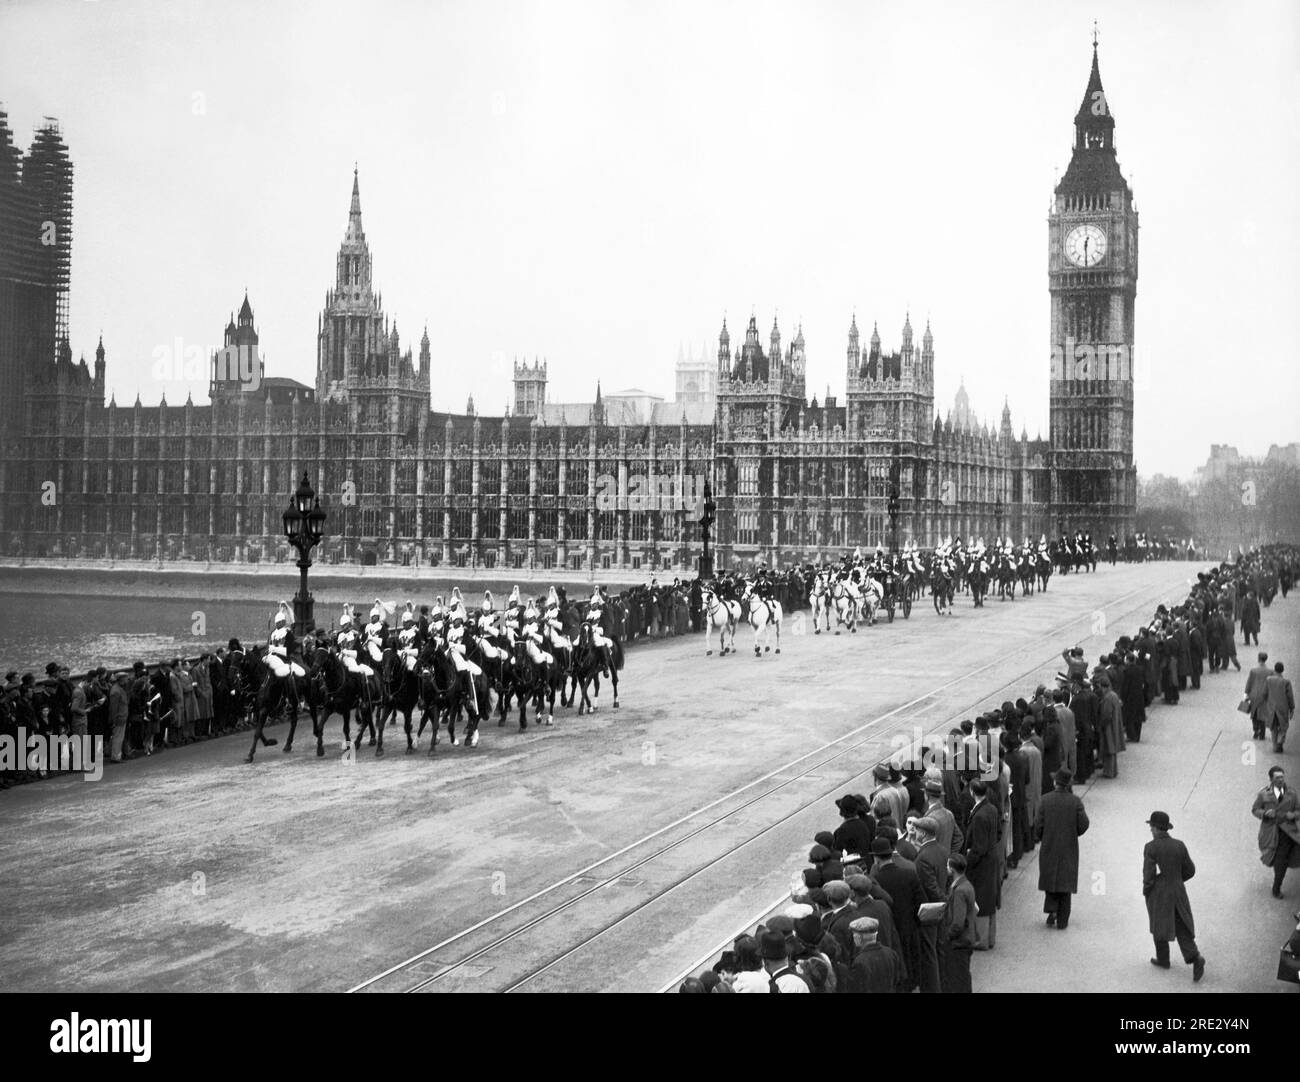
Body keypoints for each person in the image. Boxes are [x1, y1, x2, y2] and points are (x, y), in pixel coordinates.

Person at [1143, 811, 1205, 981]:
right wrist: (1176, 879)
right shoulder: (1179, 845)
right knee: (1180, 924)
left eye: (1151, 827)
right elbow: (1190, 870)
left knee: (1159, 923)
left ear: (1155, 828)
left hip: (1160, 892)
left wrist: (1148, 889)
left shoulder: (1151, 847)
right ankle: (1195, 957)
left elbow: (1148, 874)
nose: (1150, 830)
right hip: (1178, 890)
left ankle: (1163, 959)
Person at [1034, 768, 1089, 929]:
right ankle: (1063, 918)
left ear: (1055, 782)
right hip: (1068, 847)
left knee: (1050, 878)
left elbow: (1038, 825)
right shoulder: (1075, 801)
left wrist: (1042, 836)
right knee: (1065, 882)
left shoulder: (1045, 800)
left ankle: (1052, 910)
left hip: (1049, 845)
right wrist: (1073, 833)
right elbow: (1084, 824)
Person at [1251, 766, 1300, 898]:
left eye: (1282, 777)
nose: (1280, 779)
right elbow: (1255, 810)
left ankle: (1276, 887)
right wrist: (1265, 813)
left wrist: (1293, 815)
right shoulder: (1264, 794)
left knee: (1281, 862)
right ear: (1271, 779)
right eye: (1277, 777)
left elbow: (1298, 810)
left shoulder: (1292, 793)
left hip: (1287, 833)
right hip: (1271, 832)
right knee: (1274, 858)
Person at [964, 779, 1000, 950]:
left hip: (981, 864)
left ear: (972, 792)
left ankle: (980, 940)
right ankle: (990, 938)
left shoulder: (979, 816)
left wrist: (967, 862)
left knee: (980, 900)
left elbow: (978, 847)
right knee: (989, 899)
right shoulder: (991, 808)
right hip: (991, 859)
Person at [943, 853, 977, 993]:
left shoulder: (959, 891)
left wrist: (947, 936)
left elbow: (958, 922)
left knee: (957, 979)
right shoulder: (966, 885)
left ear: (952, 869)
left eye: (947, 865)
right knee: (963, 976)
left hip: (959, 942)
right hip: (967, 938)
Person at [846, 917, 901, 993]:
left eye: (854, 934)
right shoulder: (891, 953)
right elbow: (896, 980)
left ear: (859, 937)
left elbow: (858, 988)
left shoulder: (860, 961)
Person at [1264, 662, 1295, 753]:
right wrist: (1292, 708)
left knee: (1273, 727)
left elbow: (1264, 693)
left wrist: (1267, 702)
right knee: (1283, 727)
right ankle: (1280, 742)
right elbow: (1290, 696)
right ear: (1282, 670)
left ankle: (1275, 745)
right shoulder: (1286, 682)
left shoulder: (1268, 680)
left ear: (1275, 669)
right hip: (1283, 708)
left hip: (1272, 708)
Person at [1246, 652, 1273, 741]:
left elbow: (1249, 683)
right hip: (1265, 696)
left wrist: (1246, 693)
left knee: (1254, 713)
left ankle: (1256, 730)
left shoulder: (1253, 670)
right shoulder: (1270, 671)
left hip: (1254, 694)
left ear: (1258, 659)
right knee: (1263, 714)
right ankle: (1262, 733)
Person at [108, 672, 130, 763]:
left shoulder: (118, 689)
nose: (127, 680)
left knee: (119, 737)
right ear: (121, 679)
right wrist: (114, 720)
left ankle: (116, 755)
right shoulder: (116, 691)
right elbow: (114, 707)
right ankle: (115, 756)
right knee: (118, 737)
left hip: (122, 716)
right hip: (119, 718)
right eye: (125, 678)